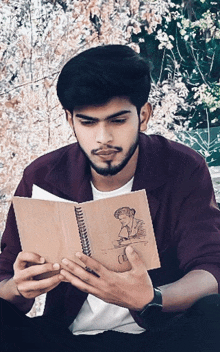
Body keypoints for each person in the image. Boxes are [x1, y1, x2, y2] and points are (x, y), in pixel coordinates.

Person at [0, 44, 220, 352]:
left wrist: (152, 298)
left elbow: (211, 270)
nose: (103, 138)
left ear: (143, 116)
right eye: (88, 122)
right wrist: (17, 289)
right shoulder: (42, 175)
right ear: (70, 120)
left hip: (159, 336)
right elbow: (6, 276)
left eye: (117, 121)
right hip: (65, 339)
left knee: (214, 314)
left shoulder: (182, 167)